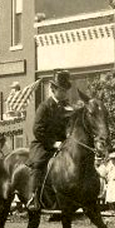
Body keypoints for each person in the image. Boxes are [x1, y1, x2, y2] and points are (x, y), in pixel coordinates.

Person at [25, 71, 72, 212]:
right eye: (61, 90)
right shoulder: (44, 107)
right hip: (43, 144)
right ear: (53, 89)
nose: (64, 93)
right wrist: (53, 143)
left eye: (65, 90)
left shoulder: (67, 107)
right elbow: (38, 130)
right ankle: (33, 197)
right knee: (39, 164)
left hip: (63, 144)